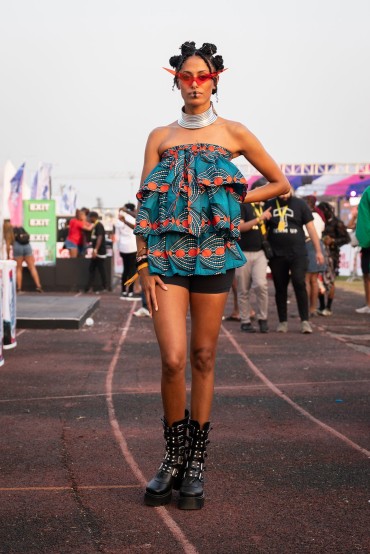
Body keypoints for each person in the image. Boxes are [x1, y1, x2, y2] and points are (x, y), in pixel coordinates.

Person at [132, 41, 290, 511]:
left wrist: (236, 202)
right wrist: (142, 263)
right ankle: (171, 458)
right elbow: (144, 203)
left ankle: (195, 466)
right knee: (173, 358)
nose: (195, 83)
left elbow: (278, 181)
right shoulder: (159, 136)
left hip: (215, 255)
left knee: (203, 356)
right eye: (186, 76)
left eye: (203, 75)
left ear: (215, 79)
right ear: (175, 80)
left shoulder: (235, 132)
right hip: (164, 258)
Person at [265, 188, 325, 333]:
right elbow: (263, 229)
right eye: (281, 192)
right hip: (277, 254)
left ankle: (305, 321)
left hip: (298, 253)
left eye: (286, 192)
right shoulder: (270, 204)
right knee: (280, 287)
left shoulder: (300, 204)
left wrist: (318, 251)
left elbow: (311, 228)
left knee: (299, 282)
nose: (284, 195)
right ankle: (282, 321)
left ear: (291, 190)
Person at [236, 180, 272, 333]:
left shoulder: (265, 206)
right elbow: (240, 227)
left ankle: (263, 318)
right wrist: (259, 218)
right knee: (243, 289)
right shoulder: (244, 205)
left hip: (260, 252)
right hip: (243, 252)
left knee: (261, 285)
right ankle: (245, 320)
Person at [317, 202, 350, 316]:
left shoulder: (337, 223)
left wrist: (333, 241)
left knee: (331, 280)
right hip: (320, 254)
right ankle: (321, 305)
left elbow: (346, 238)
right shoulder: (318, 221)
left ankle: (328, 307)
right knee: (319, 279)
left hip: (332, 255)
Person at [303, 196, 326, 317]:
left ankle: (306, 309)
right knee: (314, 280)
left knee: (306, 279)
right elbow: (322, 229)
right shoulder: (318, 217)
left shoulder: (305, 216)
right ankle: (313, 308)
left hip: (308, 244)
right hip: (319, 245)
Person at [7, 222, 43, 292]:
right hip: (27, 245)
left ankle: (19, 288)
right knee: (32, 267)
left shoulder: (9, 231)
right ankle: (38, 286)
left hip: (17, 246)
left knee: (19, 269)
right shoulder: (20, 228)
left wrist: (8, 256)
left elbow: (8, 245)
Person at [115, 203, 138, 299]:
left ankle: (124, 291)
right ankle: (131, 291)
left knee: (125, 270)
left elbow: (116, 236)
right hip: (132, 247)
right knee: (132, 270)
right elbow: (136, 228)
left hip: (122, 248)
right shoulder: (133, 218)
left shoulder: (118, 221)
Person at [355, 186, 370, 313]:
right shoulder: (367, 193)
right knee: (367, 275)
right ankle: (369, 305)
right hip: (367, 244)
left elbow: (364, 219)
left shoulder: (367, 193)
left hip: (368, 244)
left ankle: (369, 305)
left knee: (367, 275)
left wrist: (364, 239)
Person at [84, 212, 107, 292]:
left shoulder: (99, 225)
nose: (89, 219)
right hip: (96, 251)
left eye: (89, 217)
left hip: (99, 252)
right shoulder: (95, 226)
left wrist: (95, 250)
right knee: (93, 269)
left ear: (93, 217)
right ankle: (89, 287)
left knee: (100, 269)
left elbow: (100, 238)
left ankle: (104, 286)